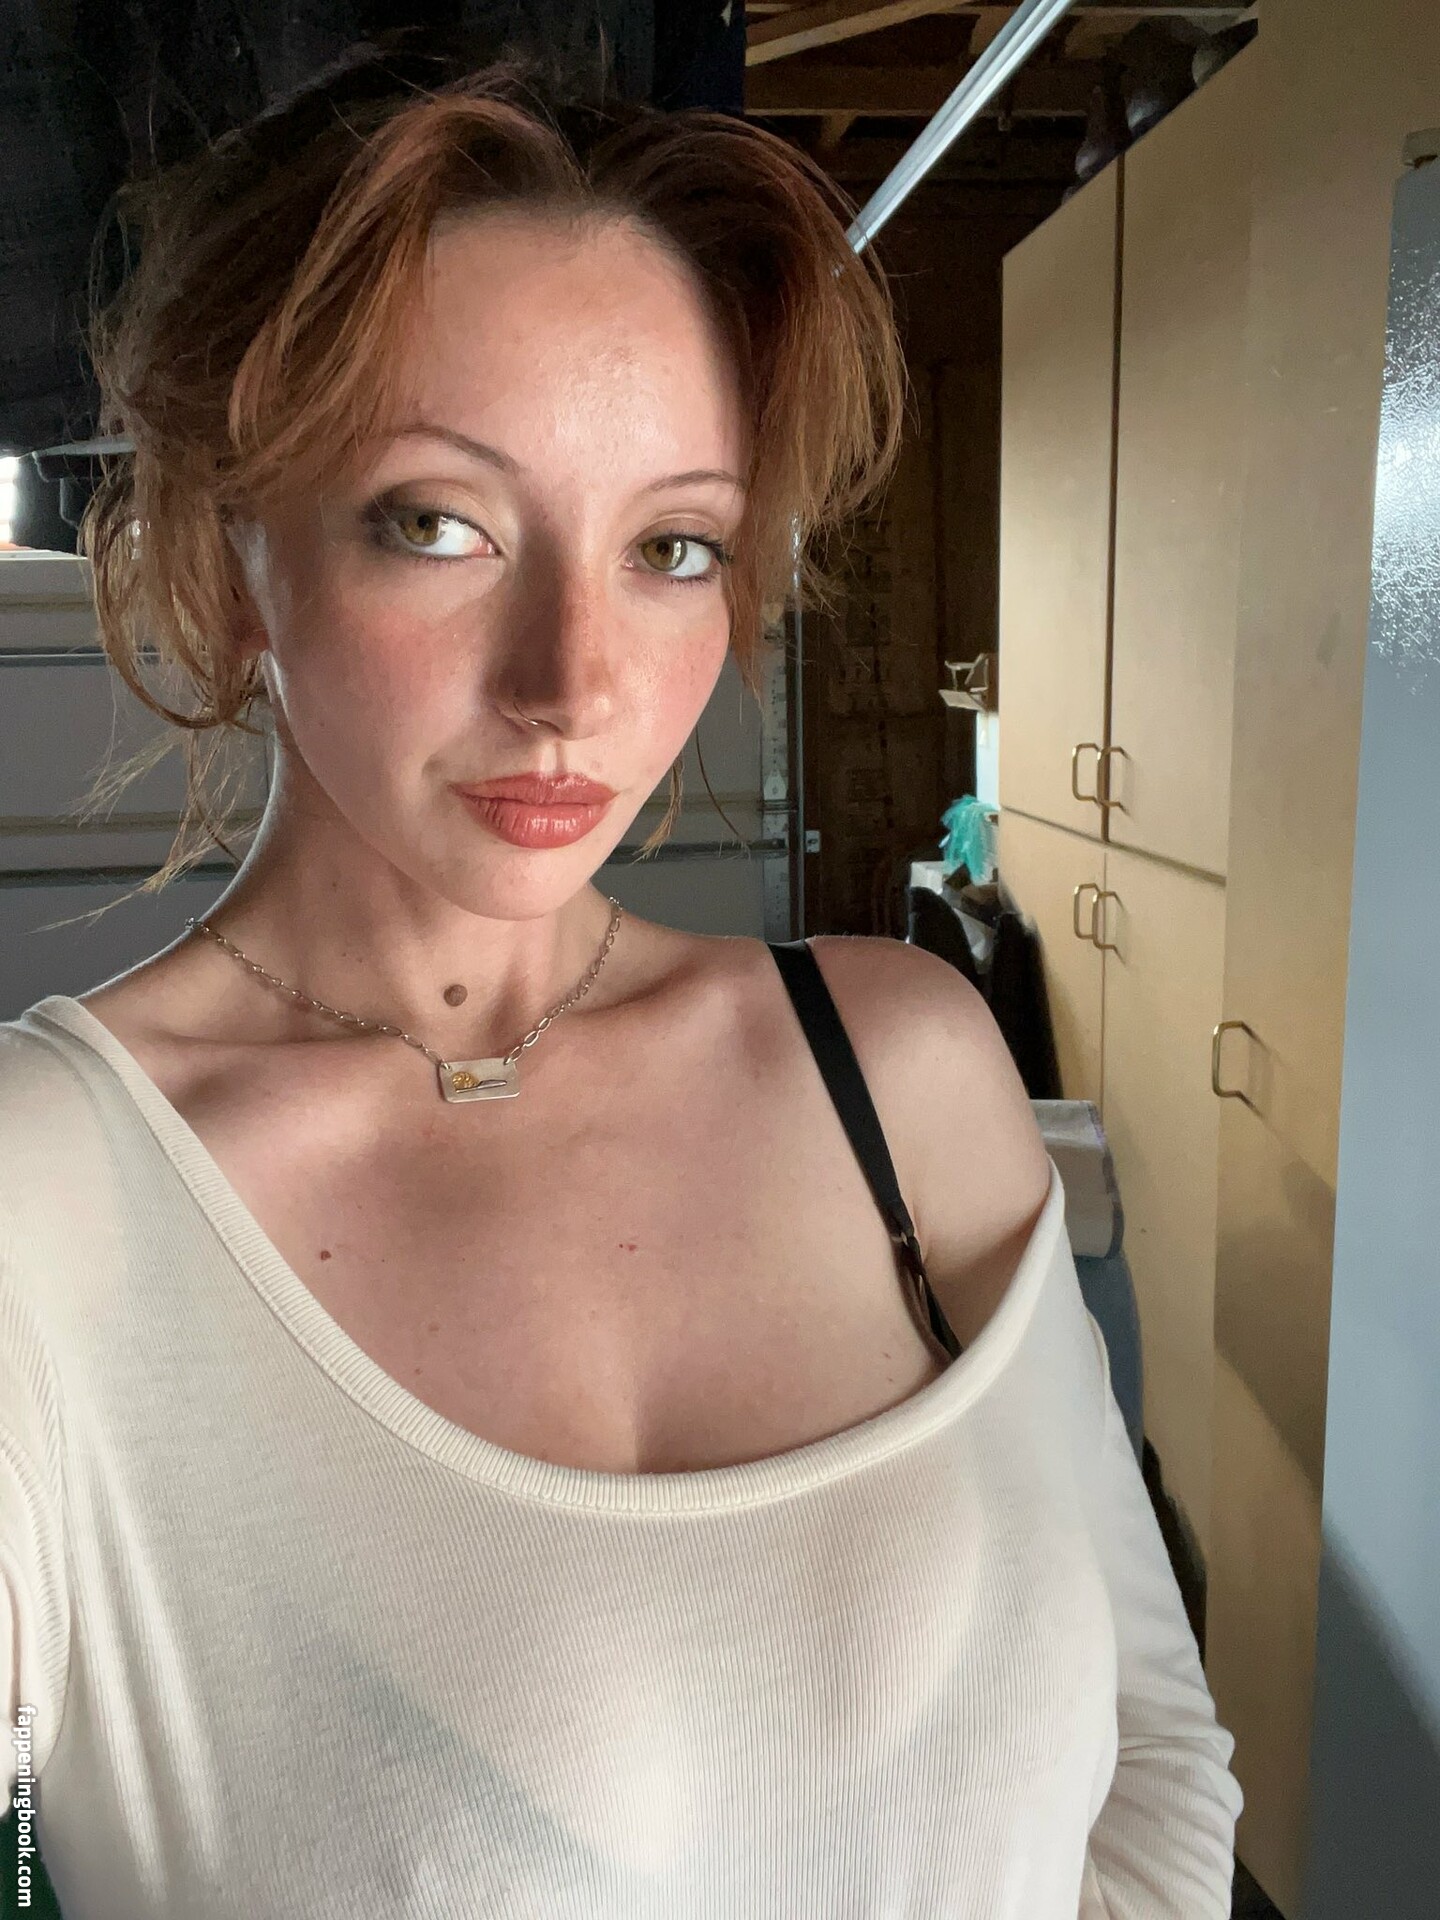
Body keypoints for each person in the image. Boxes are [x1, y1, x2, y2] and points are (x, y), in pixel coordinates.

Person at [0, 40, 1242, 1918]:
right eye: (439, 520)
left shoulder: (899, 1071)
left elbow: (1154, 1765)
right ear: (236, 554)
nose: (572, 679)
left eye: (673, 545)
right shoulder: (51, 1203)